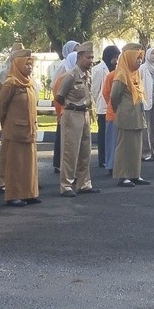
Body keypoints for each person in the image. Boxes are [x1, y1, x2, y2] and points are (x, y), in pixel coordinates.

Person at [0, 47, 41, 206]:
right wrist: (8, 123)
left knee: (29, 164)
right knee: (15, 164)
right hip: (15, 131)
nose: (29, 67)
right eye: (26, 64)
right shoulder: (11, 83)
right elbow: (0, 106)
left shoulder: (29, 83)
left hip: (29, 129)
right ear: (18, 64)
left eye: (31, 64)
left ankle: (29, 193)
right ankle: (13, 195)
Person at [54, 41, 100, 197]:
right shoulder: (71, 75)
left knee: (85, 151)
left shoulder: (87, 75)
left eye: (92, 57)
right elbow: (59, 97)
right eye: (88, 57)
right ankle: (66, 185)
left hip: (85, 114)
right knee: (70, 152)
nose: (91, 61)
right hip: (72, 113)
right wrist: (70, 106)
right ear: (79, 57)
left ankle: (84, 183)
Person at [109, 43, 150, 187]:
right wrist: (119, 109)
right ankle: (123, 176)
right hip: (126, 115)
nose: (139, 61)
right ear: (129, 58)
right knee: (124, 147)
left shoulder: (135, 73)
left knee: (136, 146)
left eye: (140, 58)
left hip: (137, 115)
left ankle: (134, 174)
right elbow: (114, 96)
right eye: (137, 58)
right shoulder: (121, 74)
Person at [0, 46, 20, 194]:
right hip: (9, 118)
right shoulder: (4, 76)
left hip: (24, 120)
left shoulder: (25, 75)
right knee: (6, 149)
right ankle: (2, 180)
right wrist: (2, 117)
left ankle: (23, 180)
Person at [48, 40, 78, 173]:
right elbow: (56, 86)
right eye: (75, 50)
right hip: (63, 107)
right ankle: (59, 163)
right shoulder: (64, 65)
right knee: (61, 136)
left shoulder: (77, 71)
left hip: (72, 110)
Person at [92, 45, 118, 171]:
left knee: (110, 136)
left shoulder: (115, 69)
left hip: (112, 107)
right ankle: (102, 159)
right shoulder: (98, 69)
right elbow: (95, 89)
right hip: (102, 106)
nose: (116, 60)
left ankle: (110, 159)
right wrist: (99, 101)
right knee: (102, 134)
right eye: (114, 57)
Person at [141, 46, 154, 161]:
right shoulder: (143, 68)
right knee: (146, 128)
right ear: (148, 55)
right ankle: (146, 153)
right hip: (146, 102)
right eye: (152, 53)